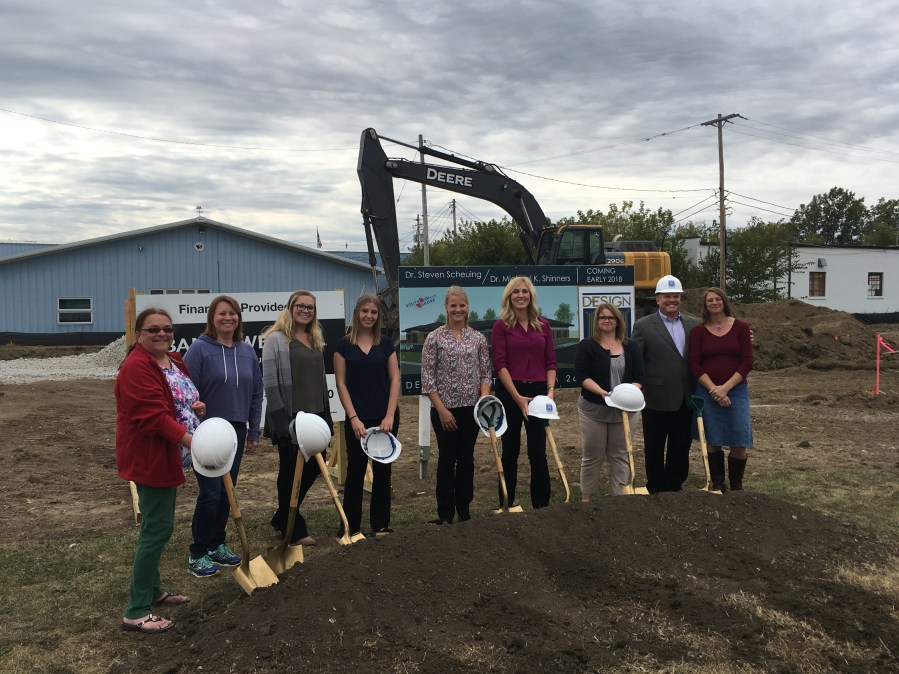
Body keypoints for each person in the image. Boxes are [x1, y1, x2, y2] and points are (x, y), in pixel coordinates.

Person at [115, 308, 204, 634]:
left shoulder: (173, 360)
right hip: (151, 456)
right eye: (153, 329)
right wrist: (194, 442)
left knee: (154, 526)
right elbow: (152, 417)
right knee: (158, 529)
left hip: (171, 454)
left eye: (167, 328)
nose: (162, 334)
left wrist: (196, 407)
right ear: (139, 334)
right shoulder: (137, 367)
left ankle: (153, 591)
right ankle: (136, 610)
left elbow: (179, 399)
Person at [183, 295, 263, 577]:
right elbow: (186, 392)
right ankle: (198, 553)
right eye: (222, 313)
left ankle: (216, 544)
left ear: (239, 318)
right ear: (212, 318)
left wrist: (254, 429)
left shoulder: (247, 351)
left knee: (228, 490)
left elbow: (256, 393)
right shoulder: (199, 350)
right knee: (210, 492)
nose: (228, 318)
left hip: (236, 431)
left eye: (233, 313)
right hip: (207, 432)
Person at [262, 290, 333, 546]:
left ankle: (283, 516)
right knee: (290, 471)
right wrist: (281, 423)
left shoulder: (314, 338)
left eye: (310, 307)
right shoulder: (276, 339)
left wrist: (327, 417)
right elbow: (271, 384)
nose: (305, 310)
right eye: (300, 306)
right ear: (290, 308)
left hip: (316, 415)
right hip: (291, 418)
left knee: (315, 466)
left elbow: (320, 380)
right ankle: (293, 529)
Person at [421, 286, 492, 524]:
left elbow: (485, 374)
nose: (458, 310)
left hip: (471, 410)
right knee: (446, 459)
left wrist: (483, 400)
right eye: (453, 305)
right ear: (446, 307)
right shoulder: (434, 338)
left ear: (467, 307)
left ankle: (464, 510)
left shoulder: (478, 338)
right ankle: (445, 513)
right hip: (444, 411)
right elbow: (428, 379)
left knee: (466, 459)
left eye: (462, 305)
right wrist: (442, 410)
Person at [334, 293, 400, 536]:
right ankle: (350, 525)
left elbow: (395, 379)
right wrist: (353, 418)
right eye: (365, 311)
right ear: (357, 313)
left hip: (385, 418)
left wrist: (389, 415)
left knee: (383, 472)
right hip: (357, 419)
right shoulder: (343, 346)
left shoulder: (386, 344)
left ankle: (380, 524)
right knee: (355, 471)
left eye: (373, 312)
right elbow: (341, 384)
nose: (369, 316)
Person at [490, 276, 557, 509]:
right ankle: (507, 502)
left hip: (539, 393)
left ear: (531, 295)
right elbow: (500, 364)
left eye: (525, 291)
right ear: (509, 297)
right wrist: (517, 397)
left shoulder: (543, 325)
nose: (521, 296)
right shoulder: (501, 326)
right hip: (510, 392)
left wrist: (550, 391)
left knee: (538, 451)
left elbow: (551, 362)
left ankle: (541, 505)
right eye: (516, 292)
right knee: (510, 450)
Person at [631, 275, 699, 493]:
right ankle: (656, 488)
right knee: (655, 446)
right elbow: (636, 361)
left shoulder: (694, 324)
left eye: (676, 296)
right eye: (667, 296)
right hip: (655, 398)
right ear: (657, 299)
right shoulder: (643, 326)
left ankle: (675, 486)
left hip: (685, 398)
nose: (672, 300)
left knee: (681, 445)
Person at [574, 303, 645, 499]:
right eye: (602, 317)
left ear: (618, 321)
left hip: (625, 412)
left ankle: (619, 500)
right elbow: (581, 376)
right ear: (596, 321)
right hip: (594, 410)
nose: (606, 320)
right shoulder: (587, 346)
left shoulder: (631, 346)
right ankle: (587, 499)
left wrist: (627, 394)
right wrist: (603, 393)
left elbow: (640, 377)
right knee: (592, 456)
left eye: (610, 317)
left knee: (620, 454)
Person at [689, 287, 754, 491]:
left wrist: (725, 388)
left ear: (724, 301)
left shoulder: (741, 328)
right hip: (707, 391)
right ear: (705, 305)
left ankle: (736, 486)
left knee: (739, 440)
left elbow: (747, 361)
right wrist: (714, 390)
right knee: (713, 440)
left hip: (736, 390)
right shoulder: (698, 331)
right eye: (710, 300)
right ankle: (718, 485)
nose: (714, 303)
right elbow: (694, 364)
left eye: (718, 299)